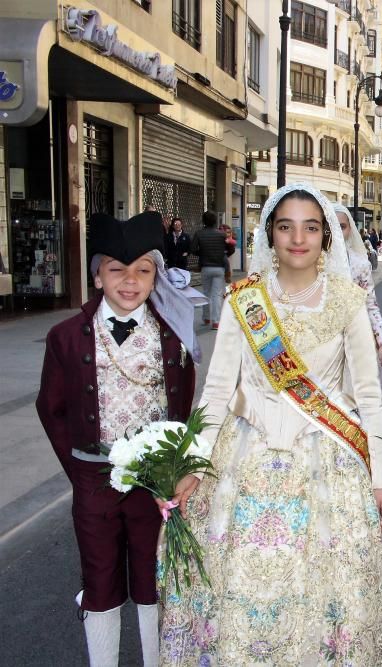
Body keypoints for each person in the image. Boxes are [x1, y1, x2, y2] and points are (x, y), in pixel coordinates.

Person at [159, 183, 382, 665]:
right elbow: (216, 390)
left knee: (327, 589)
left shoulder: (348, 302)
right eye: (286, 227)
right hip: (244, 459)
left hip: (327, 456)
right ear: (270, 235)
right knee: (241, 587)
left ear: (325, 238)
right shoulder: (242, 300)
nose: (298, 238)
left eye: (310, 227)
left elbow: (369, 396)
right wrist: (192, 462)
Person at [36, 211, 201, 667]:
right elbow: (51, 409)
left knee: (153, 578)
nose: (129, 282)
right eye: (116, 270)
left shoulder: (173, 338)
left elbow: (181, 407)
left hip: (153, 485)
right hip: (94, 480)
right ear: (96, 276)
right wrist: (81, 470)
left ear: (155, 277)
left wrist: (171, 465)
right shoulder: (66, 337)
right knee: (100, 580)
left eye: (142, 272)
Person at [333, 203, 382, 490]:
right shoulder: (313, 262)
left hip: (359, 341)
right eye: (333, 225)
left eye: (343, 226)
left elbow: (371, 305)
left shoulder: (360, 263)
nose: (338, 232)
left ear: (350, 229)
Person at [190, 211, 228, 330]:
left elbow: (192, 249)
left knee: (206, 293)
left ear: (203, 221)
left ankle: (206, 318)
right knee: (217, 295)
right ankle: (216, 322)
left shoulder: (199, 233)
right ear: (215, 221)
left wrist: (201, 253)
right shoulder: (221, 235)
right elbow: (228, 249)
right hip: (219, 267)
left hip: (206, 267)